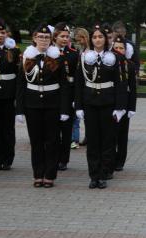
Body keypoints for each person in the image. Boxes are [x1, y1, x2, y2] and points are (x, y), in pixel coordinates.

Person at [15, 24, 70, 188]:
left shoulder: (57, 58)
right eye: (40, 37)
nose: (43, 40)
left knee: (52, 141)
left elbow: (64, 85)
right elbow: (21, 84)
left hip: (52, 103)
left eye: (46, 37)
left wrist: (65, 109)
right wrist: (19, 109)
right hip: (32, 104)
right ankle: (38, 174)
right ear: (34, 38)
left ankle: (50, 175)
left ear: (50, 40)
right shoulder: (27, 58)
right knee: (36, 141)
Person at [75, 24, 128, 189]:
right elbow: (79, 83)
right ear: (91, 39)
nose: (97, 40)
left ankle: (104, 174)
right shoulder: (84, 57)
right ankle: (93, 175)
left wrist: (120, 107)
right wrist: (79, 106)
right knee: (92, 141)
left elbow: (120, 83)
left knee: (107, 141)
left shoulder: (115, 57)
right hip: (90, 102)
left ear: (106, 39)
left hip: (108, 102)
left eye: (100, 37)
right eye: (95, 37)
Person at [0, 19, 20, 171]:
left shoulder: (14, 51)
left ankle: (8, 159)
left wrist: (16, 96)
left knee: (8, 128)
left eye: (3, 33)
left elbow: (17, 74)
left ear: (6, 34)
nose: (0, 35)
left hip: (9, 94)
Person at [53, 23, 79, 171]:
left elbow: (76, 79)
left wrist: (76, 98)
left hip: (68, 96)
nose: (64, 39)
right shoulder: (50, 52)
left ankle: (64, 159)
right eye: (62, 36)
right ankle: (53, 157)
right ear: (55, 36)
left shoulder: (73, 54)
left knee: (66, 129)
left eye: (67, 36)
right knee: (52, 130)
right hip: (52, 95)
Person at [112, 35, 137, 171]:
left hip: (125, 104)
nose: (118, 50)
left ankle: (120, 161)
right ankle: (111, 158)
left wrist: (132, 107)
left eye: (121, 48)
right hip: (111, 102)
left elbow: (133, 89)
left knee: (122, 134)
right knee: (112, 134)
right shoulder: (108, 63)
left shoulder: (130, 65)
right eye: (115, 47)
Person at [73, 27, 90, 147]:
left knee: (88, 114)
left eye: (79, 40)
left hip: (88, 83)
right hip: (82, 84)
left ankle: (89, 135)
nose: (78, 42)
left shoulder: (89, 50)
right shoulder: (82, 50)